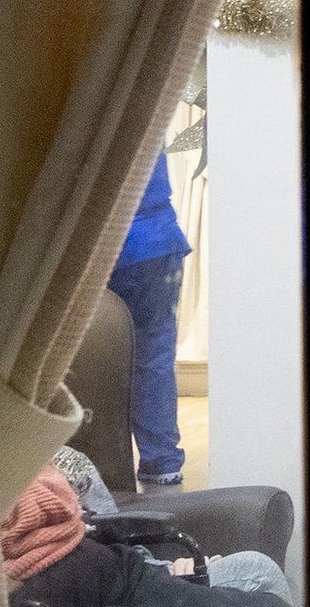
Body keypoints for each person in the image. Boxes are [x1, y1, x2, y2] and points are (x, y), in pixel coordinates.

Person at [2, 464, 289, 606]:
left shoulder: (61, 459)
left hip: (119, 561)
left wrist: (164, 565)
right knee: (261, 577)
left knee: (257, 568)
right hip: (106, 578)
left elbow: (104, 521)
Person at [108, 152, 190, 490]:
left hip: (108, 243)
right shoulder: (144, 103)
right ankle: (162, 463)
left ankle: (104, 465)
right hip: (157, 243)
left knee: (97, 359)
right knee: (154, 356)